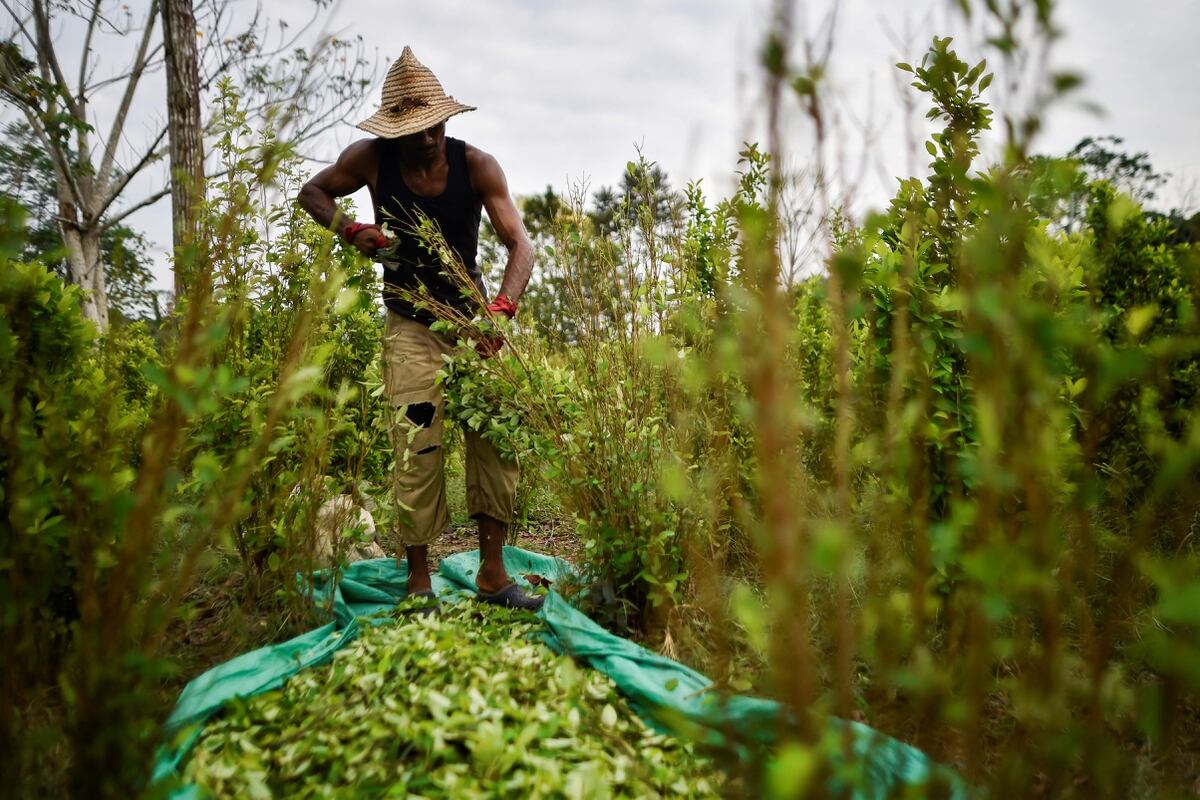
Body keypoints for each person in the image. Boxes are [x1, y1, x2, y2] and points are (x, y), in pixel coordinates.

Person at [297, 47, 542, 611]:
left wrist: (500, 311)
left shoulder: (478, 166)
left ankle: (492, 573)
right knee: (417, 445)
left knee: (496, 439)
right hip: (410, 325)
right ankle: (419, 582)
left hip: (473, 324)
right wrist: (350, 227)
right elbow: (312, 192)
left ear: (444, 119)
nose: (425, 139)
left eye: (431, 127)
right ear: (393, 132)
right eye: (412, 131)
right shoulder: (370, 160)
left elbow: (520, 246)